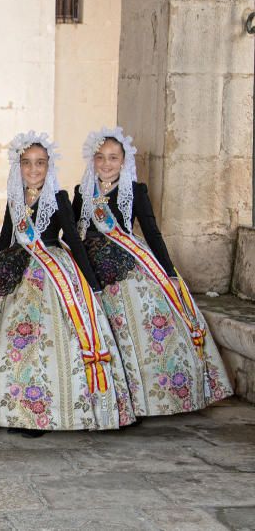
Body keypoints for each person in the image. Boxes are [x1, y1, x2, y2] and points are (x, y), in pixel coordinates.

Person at [0, 131, 133, 436]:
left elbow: (73, 240)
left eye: (40, 163)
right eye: (27, 163)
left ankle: (43, 410)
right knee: (12, 339)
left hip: (52, 272)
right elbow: (6, 237)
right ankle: (13, 408)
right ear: (19, 166)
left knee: (43, 340)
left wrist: (90, 283)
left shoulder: (58, 197)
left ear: (48, 165)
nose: (34, 169)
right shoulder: (14, 197)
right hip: (18, 266)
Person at [72, 127, 232, 416]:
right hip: (89, 263)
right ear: (92, 160)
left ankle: (146, 395)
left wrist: (168, 272)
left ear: (123, 161)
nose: (106, 164)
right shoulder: (81, 192)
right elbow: (73, 232)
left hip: (127, 262)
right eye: (100, 157)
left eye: (113, 158)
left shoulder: (135, 191)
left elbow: (152, 232)